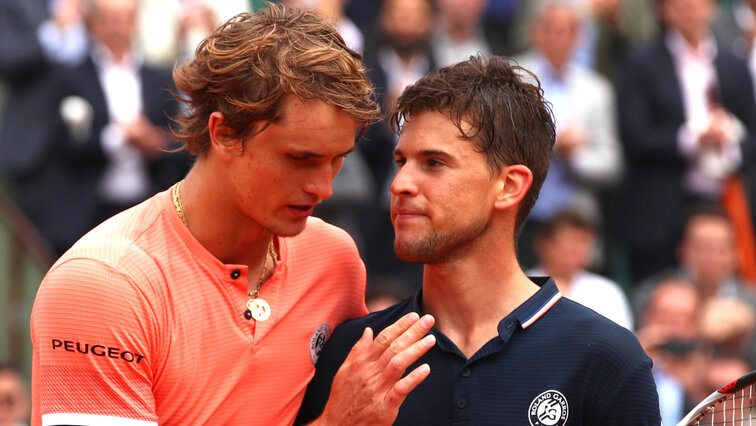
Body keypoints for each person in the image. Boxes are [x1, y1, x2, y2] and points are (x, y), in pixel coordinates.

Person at [31, 5, 437, 425]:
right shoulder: (102, 284)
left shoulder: (334, 258)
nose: (325, 187)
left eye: (337, 160)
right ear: (224, 134)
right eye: (300, 158)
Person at [297, 54, 660, 424]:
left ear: (509, 186)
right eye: (401, 161)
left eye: (433, 163)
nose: (400, 184)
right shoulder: (355, 353)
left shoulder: (607, 359)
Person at [618, 0, 756, 283]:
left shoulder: (734, 63)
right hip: (661, 209)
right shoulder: (641, 62)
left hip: (725, 200)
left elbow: (752, 133)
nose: (691, 10)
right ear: (664, 11)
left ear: (712, 8)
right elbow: (634, 135)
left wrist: (727, 144)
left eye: (698, 3)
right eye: (681, 5)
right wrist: (692, 138)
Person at [529, 209, 634, 330]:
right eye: (570, 240)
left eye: (584, 241)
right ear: (543, 244)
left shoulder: (607, 291)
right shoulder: (522, 286)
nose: (578, 249)